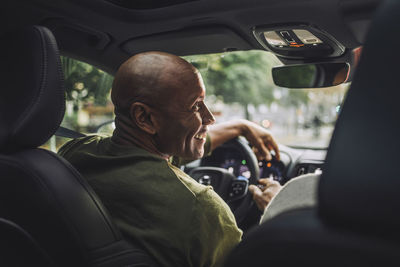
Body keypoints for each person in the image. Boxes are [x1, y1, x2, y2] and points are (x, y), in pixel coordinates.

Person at [58, 51, 281, 267]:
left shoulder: (74, 154)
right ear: (144, 117)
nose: (210, 118)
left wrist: (239, 127)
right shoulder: (201, 209)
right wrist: (277, 211)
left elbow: (149, 156)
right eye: (195, 106)